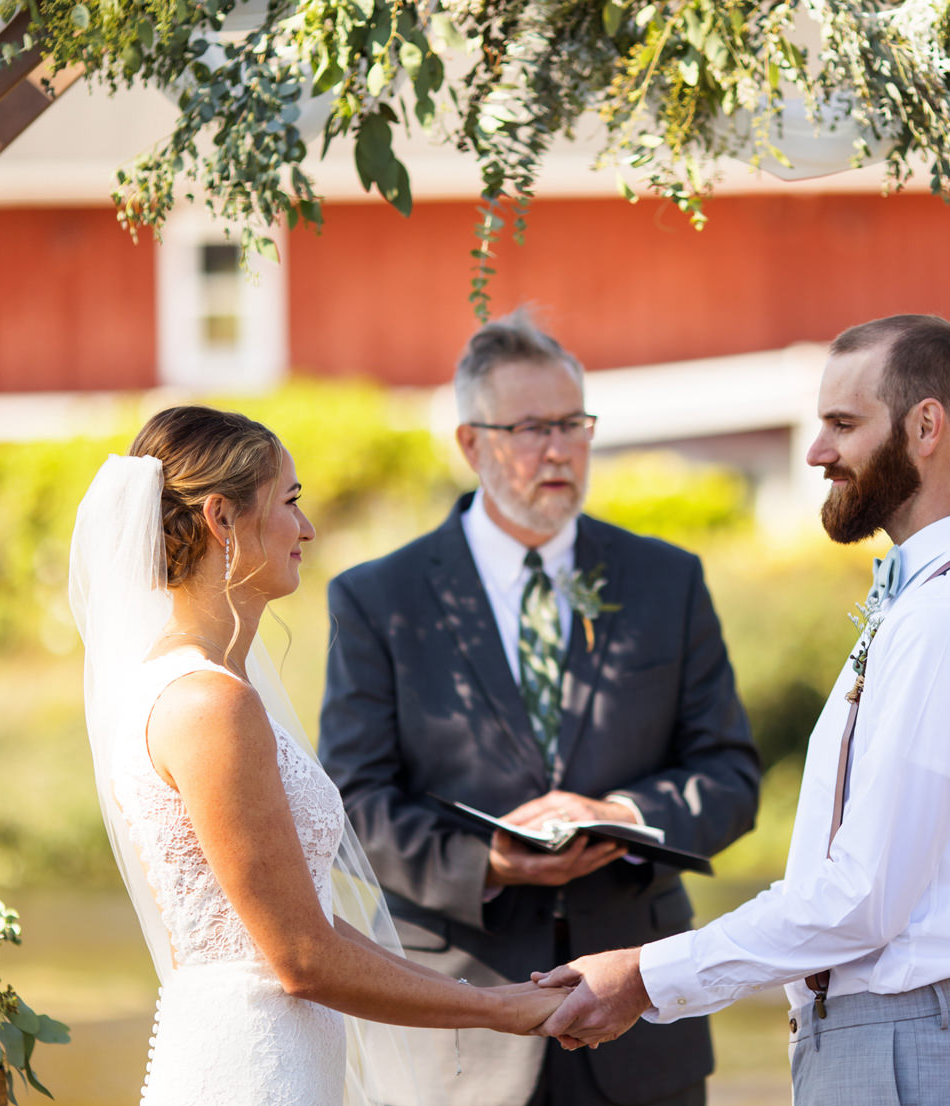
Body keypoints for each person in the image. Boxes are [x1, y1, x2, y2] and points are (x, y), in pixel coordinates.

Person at [533, 315, 950, 1106]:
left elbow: (862, 899)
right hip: (885, 1043)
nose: (818, 452)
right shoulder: (924, 602)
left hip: (910, 1046)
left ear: (927, 427)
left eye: (843, 425)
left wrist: (647, 976)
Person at [318, 311, 762, 1106]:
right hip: (460, 1034)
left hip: (639, 1026)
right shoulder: (380, 599)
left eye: (572, 424)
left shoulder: (667, 580)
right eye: (529, 428)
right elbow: (353, 804)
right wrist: (485, 861)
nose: (558, 449)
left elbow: (729, 774)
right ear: (471, 443)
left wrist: (620, 815)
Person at [69, 405, 569, 1106]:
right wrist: (500, 1012)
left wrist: (500, 996)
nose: (306, 527)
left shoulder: (202, 689)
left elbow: (307, 923)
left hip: (282, 1059)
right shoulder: (211, 706)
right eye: (291, 501)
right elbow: (301, 958)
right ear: (221, 519)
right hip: (251, 1072)